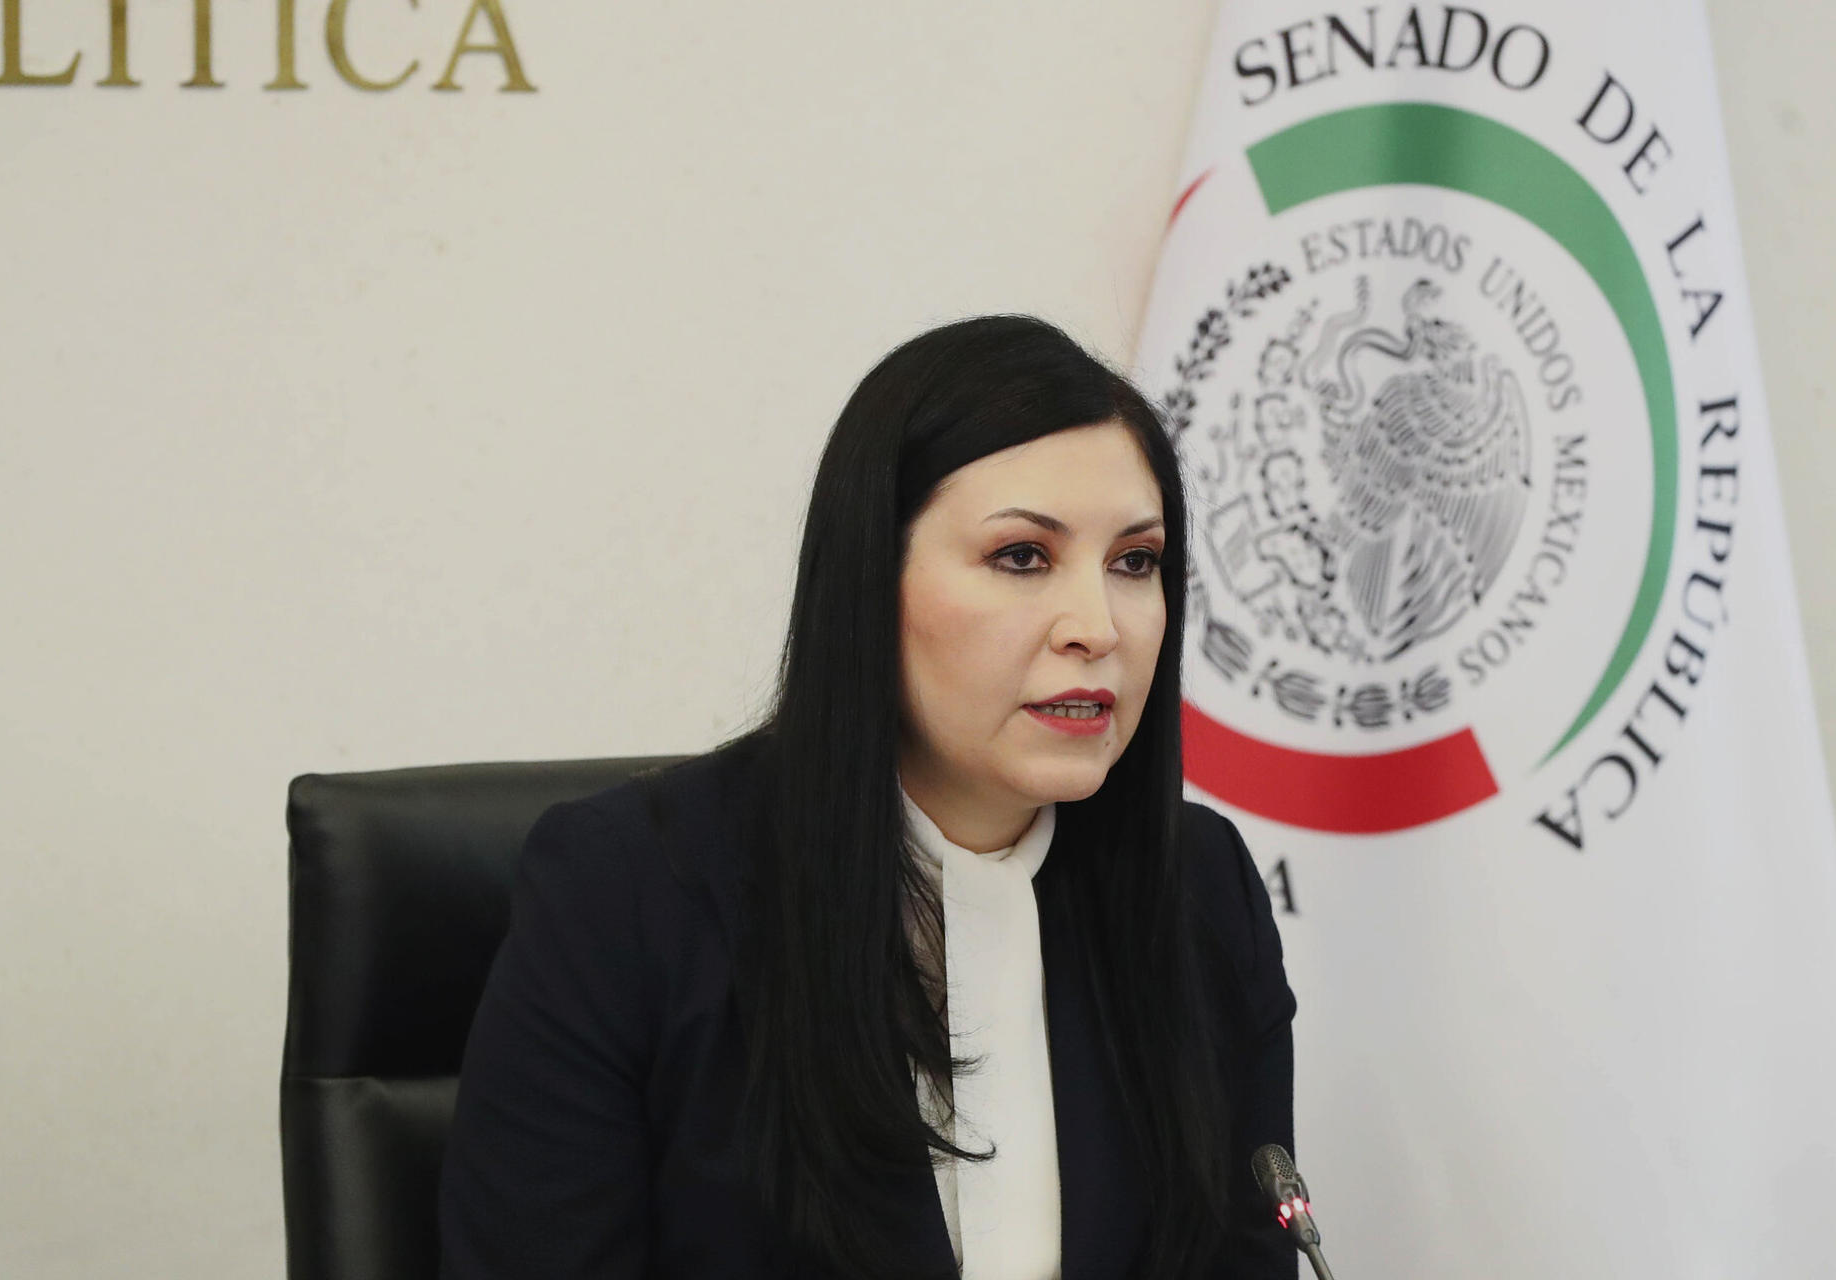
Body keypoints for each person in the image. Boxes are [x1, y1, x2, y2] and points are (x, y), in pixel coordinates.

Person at [437, 315, 1299, 1279]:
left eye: (1134, 562)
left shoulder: (1200, 888)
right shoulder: (627, 893)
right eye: (1022, 558)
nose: (1096, 626)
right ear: (867, 579)